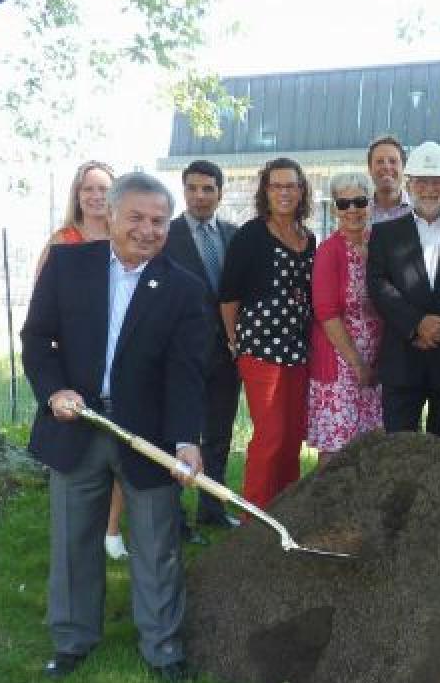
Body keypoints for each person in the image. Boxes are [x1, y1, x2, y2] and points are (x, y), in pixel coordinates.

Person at [22, 172, 207, 683]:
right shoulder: (67, 266)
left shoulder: (184, 289)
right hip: (76, 426)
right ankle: (72, 640)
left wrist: (187, 441)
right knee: (73, 540)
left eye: (158, 221)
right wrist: (54, 390)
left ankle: (163, 649)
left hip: (149, 437)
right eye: (137, 218)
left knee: (157, 543)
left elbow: (188, 373)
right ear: (112, 216)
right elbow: (37, 340)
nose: (148, 230)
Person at [36, 160, 131, 561]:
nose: (95, 196)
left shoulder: (123, 238)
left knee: (123, 448)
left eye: (103, 189)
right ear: (77, 195)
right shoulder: (62, 241)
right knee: (82, 454)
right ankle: (78, 531)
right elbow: (42, 312)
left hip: (119, 360)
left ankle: (112, 529)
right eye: (87, 189)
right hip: (75, 364)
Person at [368, 142, 440, 439]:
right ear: (409, 184)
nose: (430, 190)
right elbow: (378, 286)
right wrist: (417, 324)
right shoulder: (384, 234)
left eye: (438, 182)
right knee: (399, 454)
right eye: (422, 181)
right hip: (403, 361)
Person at [219, 157, 315, 508]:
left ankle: (284, 512)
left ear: (302, 190)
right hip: (260, 349)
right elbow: (228, 296)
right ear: (266, 191)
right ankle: (254, 518)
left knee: (292, 439)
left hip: (297, 348)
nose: (284, 192)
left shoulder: (309, 238)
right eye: (276, 186)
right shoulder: (251, 235)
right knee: (270, 437)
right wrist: (235, 341)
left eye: (291, 185)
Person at [161, 159, 242, 538]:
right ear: (184, 191)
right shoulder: (166, 235)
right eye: (192, 188)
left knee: (219, 436)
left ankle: (213, 508)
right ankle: (175, 520)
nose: (199, 196)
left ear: (220, 193)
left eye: (208, 188)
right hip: (182, 355)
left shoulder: (233, 235)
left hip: (226, 354)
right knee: (181, 435)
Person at [307, 173, 384, 463]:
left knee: (372, 446)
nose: (352, 209)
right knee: (337, 448)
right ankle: (326, 508)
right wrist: (358, 364)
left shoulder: (380, 245)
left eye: (360, 201)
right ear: (334, 209)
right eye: (344, 203)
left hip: (376, 358)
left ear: (370, 203)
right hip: (340, 362)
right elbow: (326, 313)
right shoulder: (329, 251)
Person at [367, 135, 412, 225]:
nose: (387, 167)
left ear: (404, 167)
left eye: (393, 161)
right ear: (370, 169)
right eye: (379, 161)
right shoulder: (359, 212)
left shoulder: (419, 212)